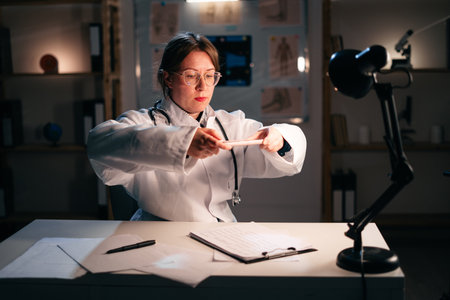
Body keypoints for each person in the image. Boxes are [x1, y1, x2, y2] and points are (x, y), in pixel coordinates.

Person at [87, 32, 307, 222]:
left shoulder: (228, 124)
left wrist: (279, 138)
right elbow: (99, 143)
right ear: (168, 79)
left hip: (220, 233)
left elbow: (290, 139)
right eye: (191, 76)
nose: (203, 86)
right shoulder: (144, 123)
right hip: (159, 236)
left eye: (210, 76)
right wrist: (182, 142)